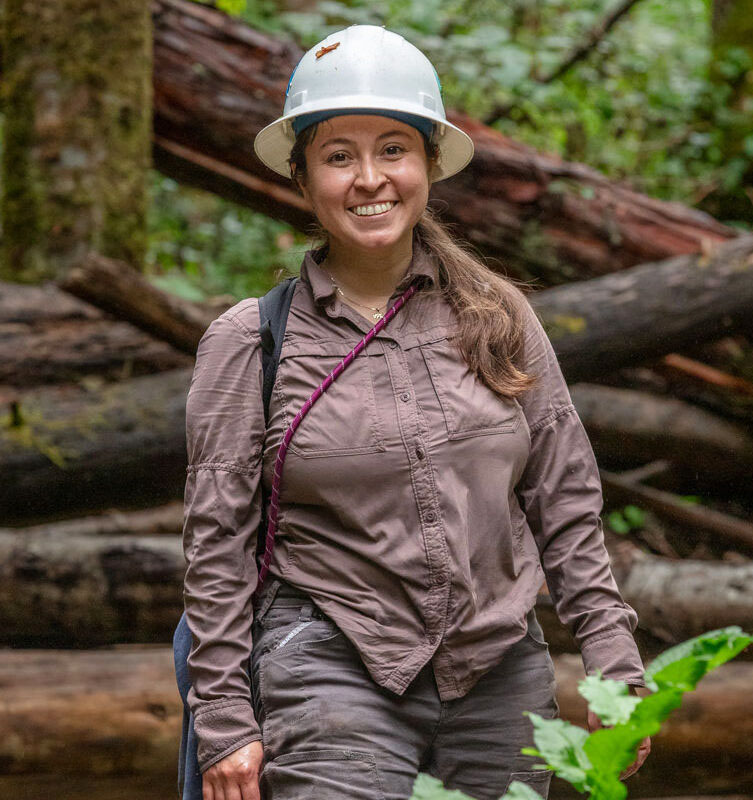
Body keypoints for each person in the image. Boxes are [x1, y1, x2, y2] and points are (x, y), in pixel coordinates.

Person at [181, 24, 651, 800]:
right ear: (302, 179)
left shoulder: (498, 316)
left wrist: (614, 661)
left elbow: (564, 497)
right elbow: (216, 542)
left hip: (500, 671)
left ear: (430, 161)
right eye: (338, 156)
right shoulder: (251, 342)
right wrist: (225, 716)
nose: (370, 178)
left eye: (393, 149)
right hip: (330, 663)